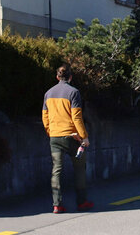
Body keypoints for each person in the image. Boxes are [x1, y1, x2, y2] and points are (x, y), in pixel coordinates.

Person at [42, 65, 92, 213]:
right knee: (79, 168)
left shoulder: (48, 93)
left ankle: (56, 204)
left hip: (55, 138)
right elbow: (76, 117)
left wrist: (50, 132)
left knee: (56, 170)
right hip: (72, 138)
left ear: (57, 77)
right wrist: (84, 137)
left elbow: (45, 117)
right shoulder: (74, 92)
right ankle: (81, 202)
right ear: (70, 77)